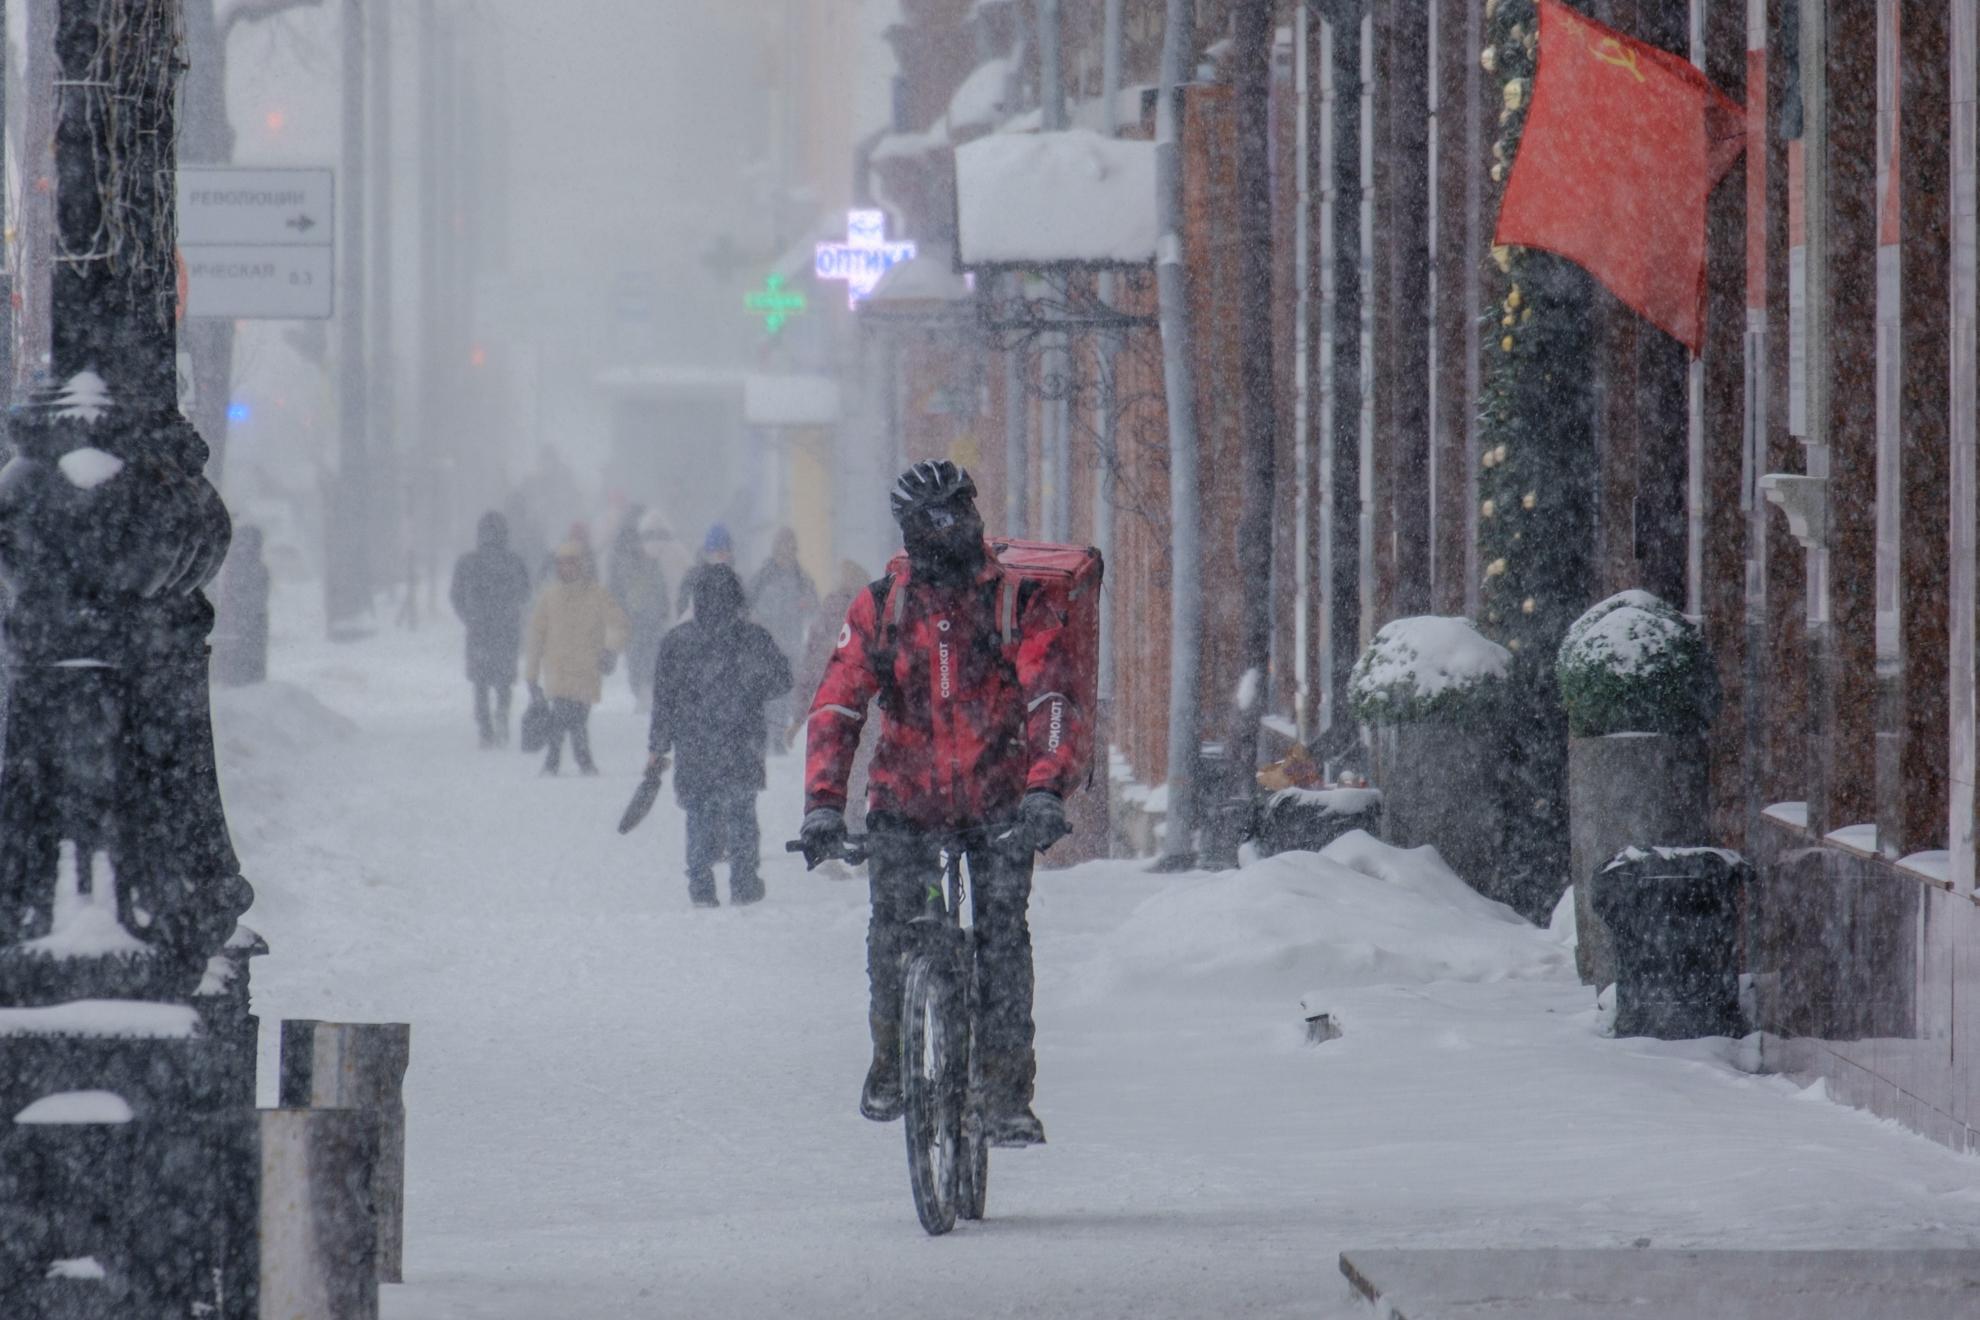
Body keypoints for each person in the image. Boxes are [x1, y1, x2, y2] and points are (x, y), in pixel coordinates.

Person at [799, 461, 1084, 1147]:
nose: (948, 530)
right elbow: (838, 703)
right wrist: (822, 805)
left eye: (957, 513)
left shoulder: (1015, 602)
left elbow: (1051, 695)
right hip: (906, 803)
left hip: (1000, 804)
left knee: (1002, 940)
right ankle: (894, 1062)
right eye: (931, 520)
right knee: (895, 931)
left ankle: (1007, 1093)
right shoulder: (881, 606)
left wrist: (1045, 787)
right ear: (909, 529)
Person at [646, 564, 792, 907]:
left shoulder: (677, 642)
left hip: (693, 743)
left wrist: (658, 746)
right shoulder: (754, 638)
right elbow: (783, 679)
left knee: (698, 813)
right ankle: (743, 881)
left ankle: (700, 884)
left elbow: (664, 700)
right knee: (742, 811)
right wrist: (752, 689)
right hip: (741, 739)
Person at [524, 541, 627, 776]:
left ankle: (563, 760)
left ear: (581, 565)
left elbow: (619, 624)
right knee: (564, 715)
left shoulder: (597, 595)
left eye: (571, 563)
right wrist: (531, 675)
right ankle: (575, 760)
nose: (566, 568)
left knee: (578, 714)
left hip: (587, 671)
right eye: (562, 564)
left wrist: (610, 650)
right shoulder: (549, 598)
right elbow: (536, 637)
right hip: (558, 671)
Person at [790, 559, 873, 828]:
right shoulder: (874, 608)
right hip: (868, 704)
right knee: (861, 768)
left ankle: (837, 827)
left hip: (836, 702)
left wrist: (802, 711)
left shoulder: (829, 616)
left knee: (839, 767)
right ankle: (856, 824)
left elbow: (812, 664)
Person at [449, 511, 533, 747]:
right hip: (507, 630)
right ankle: (502, 714)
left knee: (480, 681)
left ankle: (485, 728)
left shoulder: (467, 562)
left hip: (479, 631)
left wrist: (468, 617)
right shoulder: (514, 561)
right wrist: (513, 611)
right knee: (504, 679)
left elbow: (455, 595)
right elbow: (527, 593)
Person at [748, 528, 819, 747]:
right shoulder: (763, 576)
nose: (786, 554)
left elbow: (815, 607)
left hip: (792, 645)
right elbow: (747, 606)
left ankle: (778, 736)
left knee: (787, 693)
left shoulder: (802, 578)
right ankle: (769, 737)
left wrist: (808, 605)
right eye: (782, 548)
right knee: (769, 693)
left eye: (790, 548)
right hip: (767, 646)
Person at [607, 507, 672, 712]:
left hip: (636, 612)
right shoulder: (641, 552)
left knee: (639, 653)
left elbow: (616, 584)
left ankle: (642, 690)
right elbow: (657, 580)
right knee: (646, 652)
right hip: (643, 612)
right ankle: (645, 689)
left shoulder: (623, 551)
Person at [212, 525, 271, 687]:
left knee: (245, 666)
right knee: (247, 668)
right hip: (247, 625)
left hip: (243, 625)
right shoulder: (254, 569)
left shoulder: (240, 569)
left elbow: (234, 598)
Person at [677, 523, 735, 618]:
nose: (724, 556)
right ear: (708, 552)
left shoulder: (733, 579)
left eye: (727, 551)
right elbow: (683, 609)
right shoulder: (693, 578)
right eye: (719, 552)